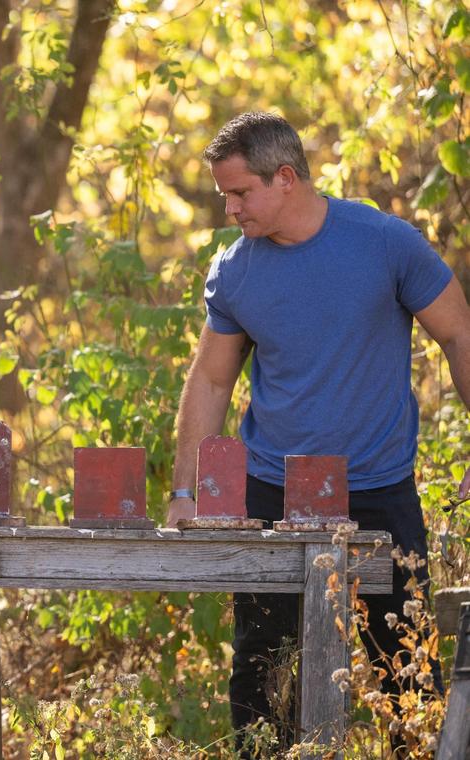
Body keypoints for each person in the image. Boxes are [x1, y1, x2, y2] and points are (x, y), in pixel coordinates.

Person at [166, 112, 470, 754]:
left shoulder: (386, 243)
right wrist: (185, 493)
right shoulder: (237, 269)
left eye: (240, 192)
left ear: (285, 177)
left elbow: (458, 333)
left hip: (380, 492)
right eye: (224, 194)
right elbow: (212, 383)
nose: (229, 208)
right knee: (264, 670)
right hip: (273, 495)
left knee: (404, 671)